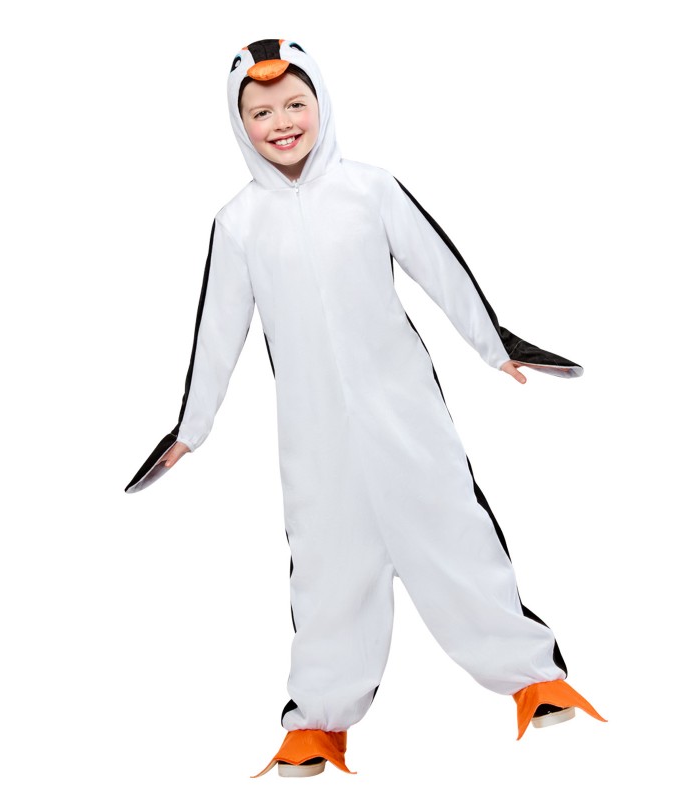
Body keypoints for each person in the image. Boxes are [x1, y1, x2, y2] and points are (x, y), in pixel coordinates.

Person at [125, 38, 605, 778]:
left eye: (295, 104)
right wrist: (191, 429)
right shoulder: (238, 222)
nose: (282, 122)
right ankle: (317, 721)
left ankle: (533, 676)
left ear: (321, 103)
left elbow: (439, 266)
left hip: (406, 415)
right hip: (314, 435)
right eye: (261, 113)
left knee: (456, 535)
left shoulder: (370, 189)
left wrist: (495, 346)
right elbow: (217, 330)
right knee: (327, 569)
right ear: (239, 124)